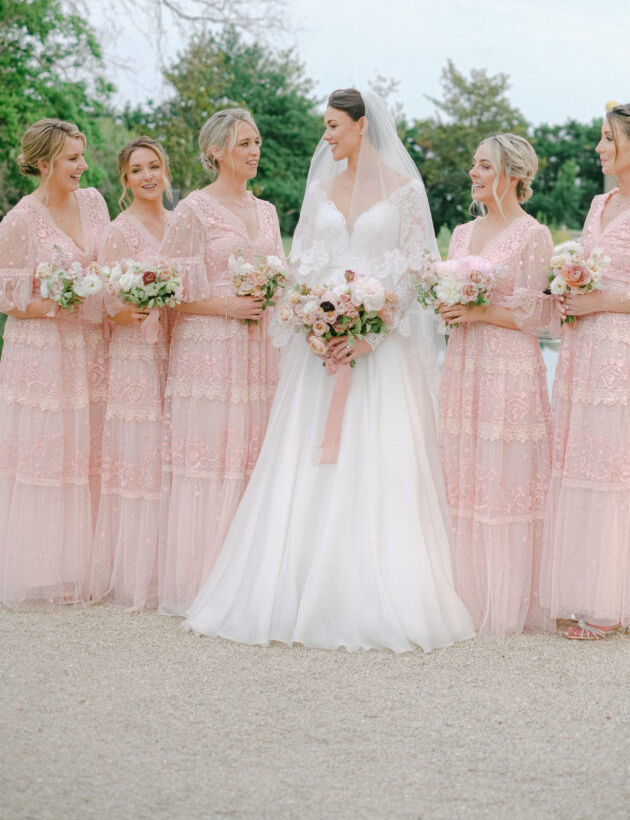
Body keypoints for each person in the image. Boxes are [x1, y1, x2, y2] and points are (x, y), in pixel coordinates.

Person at [184, 88, 474, 651]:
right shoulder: (319, 191)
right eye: (325, 126)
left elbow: (419, 271)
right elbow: (301, 267)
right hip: (319, 352)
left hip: (379, 356)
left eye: (334, 126)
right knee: (302, 463)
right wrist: (314, 323)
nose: (326, 136)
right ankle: (291, 586)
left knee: (377, 463)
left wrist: (374, 331)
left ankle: (371, 589)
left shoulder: (405, 192)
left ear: (363, 126)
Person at [541, 102, 630, 639]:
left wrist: (596, 301)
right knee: (577, 462)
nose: (599, 147)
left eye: (607, 138)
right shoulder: (600, 203)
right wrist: (569, 287)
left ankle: (607, 603)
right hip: (581, 348)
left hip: (620, 352)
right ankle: (576, 589)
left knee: (609, 468)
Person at [158, 108, 284, 615]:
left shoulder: (270, 211)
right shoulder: (192, 211)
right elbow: (170, 291)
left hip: (260, 350)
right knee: (211, 458)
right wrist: (228, 304)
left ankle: (249, 582)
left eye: (256, 142)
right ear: (215, 152)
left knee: (254, 454)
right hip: (209, 348)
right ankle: (202, 580)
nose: (254, 152)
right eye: (243, 144)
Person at [437, 134, 553, 635]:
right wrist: (446, 307)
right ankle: (461, 590)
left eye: (484, 165)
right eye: (474, 164)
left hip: (509, 366)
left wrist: (481, 309)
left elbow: (537, 312)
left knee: (504, 473)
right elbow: (448, 295)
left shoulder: (534, 235)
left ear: (512, 174)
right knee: (462, 468)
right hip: (464, 362)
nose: (474, 173)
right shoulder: (461, 233)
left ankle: (506, 599)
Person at [0, 119, 110, 607]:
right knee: (48, 449)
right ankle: (42, 567)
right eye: (72, 158)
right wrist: (53, 304)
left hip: (90, 344)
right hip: (43, 349)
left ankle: (85, 564)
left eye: (82, 156)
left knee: (86, 445)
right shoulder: (21, 220)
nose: (83, 166)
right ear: (44, 163)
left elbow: (108, 262)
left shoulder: (93, 202)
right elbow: (7, 293)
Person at [91, 138, 173, 610]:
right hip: (135, 351)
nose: (147, 176)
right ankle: (137, 572)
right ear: (124, 179)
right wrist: (129, 311)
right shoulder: (119, 231)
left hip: (174, 344)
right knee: (141, 451)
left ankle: (170, 564)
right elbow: (102, 298)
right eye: (137, 169)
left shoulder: (181, 222)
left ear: (165, 170)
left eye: (154, 166)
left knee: (169, 447)